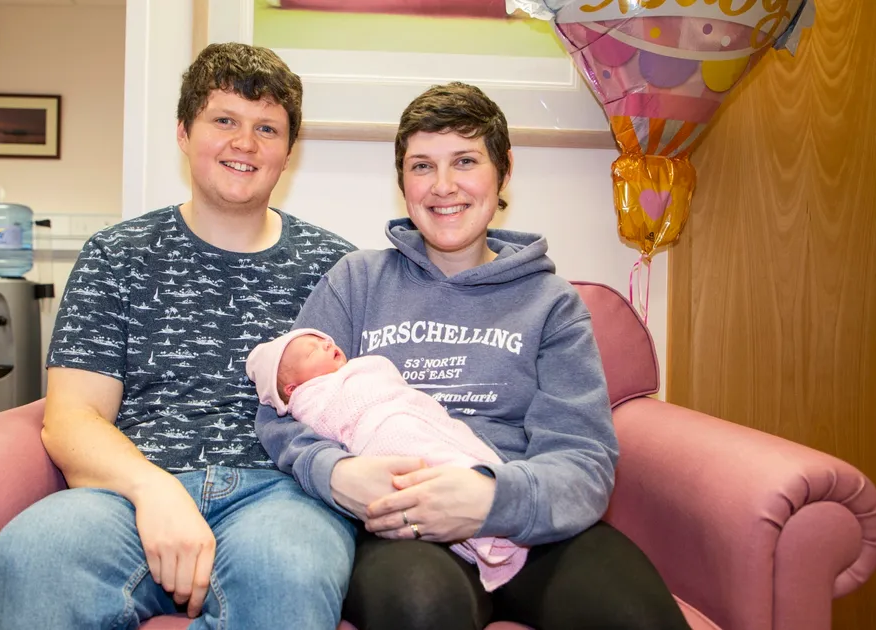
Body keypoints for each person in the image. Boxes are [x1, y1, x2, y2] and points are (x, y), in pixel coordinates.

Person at [257, 82, 692, 630]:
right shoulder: (357, 282)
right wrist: (337, 472)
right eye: (421, 166)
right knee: (421, 610)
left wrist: (491, 499)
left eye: (465, 160)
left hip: (529, 516)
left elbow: (583, 457)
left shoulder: (551, 303)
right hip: (404, 525)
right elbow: (283, 411)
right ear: (401, 182)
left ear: (503, 170)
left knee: (638, 619)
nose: (443, 187)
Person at [0, 42, 358, 630]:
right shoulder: (117, 255)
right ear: (183, 131)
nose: (245, 144)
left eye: (267, 129)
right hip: (126, 493)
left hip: (282, 497)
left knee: (290, 575)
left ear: (288, 152)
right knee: (30, 559)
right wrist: (154, 491)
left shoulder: (338, 268)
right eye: (223, 120)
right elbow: (71, 417)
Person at [245, 328, 527, 592]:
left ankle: (492, 498)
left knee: (458, 452)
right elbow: (327, 427)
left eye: (324, 340)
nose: (327, 344)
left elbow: (393, 385)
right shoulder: (310, 400)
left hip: (416, 417)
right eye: (312, 352)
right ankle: (486, 532)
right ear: (293, 389)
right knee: (426, 475)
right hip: (384, 438)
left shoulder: (362, 370)